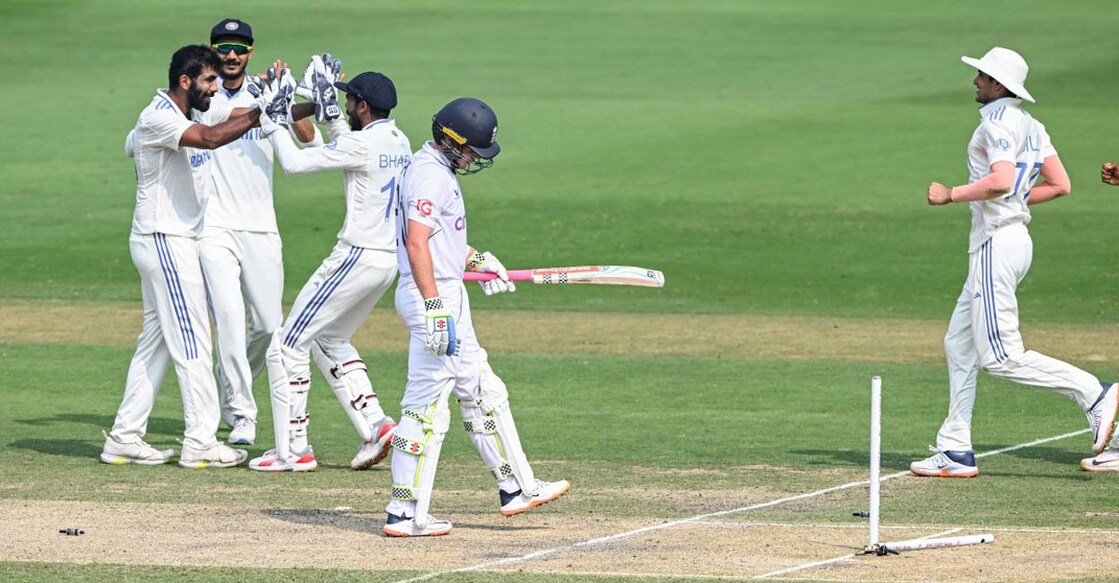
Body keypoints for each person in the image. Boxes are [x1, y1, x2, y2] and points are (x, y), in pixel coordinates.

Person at [913, 47, 1118, 478]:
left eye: (984, 77)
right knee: (959, 341)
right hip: (1014, 240)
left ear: (1000, 85)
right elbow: (1059, 185)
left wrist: (951, 194)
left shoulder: (997, 122)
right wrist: (1011, 200)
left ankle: (1095, 394)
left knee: (1001, 357)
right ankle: (955, 448)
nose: (976, 82)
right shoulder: (1032, 124)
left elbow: (1003, 181)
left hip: (995, 245)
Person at [383, 97, 569, 537]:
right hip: (435, 297)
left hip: (443, 292)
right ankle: (405, 512)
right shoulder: (430, 175)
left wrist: (479, 259)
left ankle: (516, 487)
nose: (473, 159)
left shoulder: (432, 168)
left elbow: (441, 242)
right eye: (471, 150)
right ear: (451, 140)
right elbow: (416, 243)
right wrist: (434, 306)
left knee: (482, 389)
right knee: (426, 410)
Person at [101, 45, 268, 468]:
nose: (218, 87)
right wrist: (265, 109)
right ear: (185, 82)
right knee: (194, 340)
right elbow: (212, 140)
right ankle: (201, 441)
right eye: (210, 81)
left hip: (171, 241)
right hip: (165, 239)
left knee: (156, 344)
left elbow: (231, 120)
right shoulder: (158, 117)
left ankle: (124, 436)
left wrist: (293, 104)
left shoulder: (192, 111)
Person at [247, 64, 408, 472]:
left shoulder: (363, 144)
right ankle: (376, 426)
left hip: (355, 256)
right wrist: (332, 117)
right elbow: (350, 148)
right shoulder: (397, 140)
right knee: (329, 339)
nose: (343, 103)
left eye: (348, 99)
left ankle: (293, 448)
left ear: (363, 106)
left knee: (286, 346)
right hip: (385, 260)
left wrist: (271, 123)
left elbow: (295, 165)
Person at [198, 18, 323, 446]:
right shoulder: (203, 94)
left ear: (250, 51)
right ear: (213, 50)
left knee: (271, 327)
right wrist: (272, 106)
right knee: (230, 319)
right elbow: (229, 117)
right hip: (212, 226)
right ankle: (242, 414)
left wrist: (286, 104)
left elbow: (309, 140)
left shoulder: (266, 89)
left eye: (239, 48)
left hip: (261, 226)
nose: (231, 55)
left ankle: (229, 383)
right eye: (223, 47)